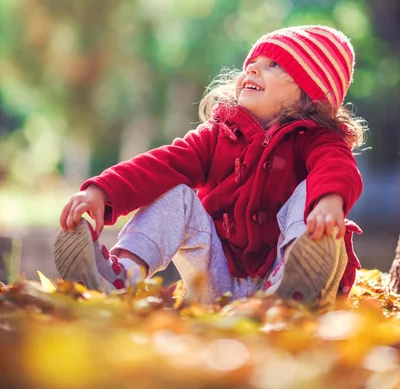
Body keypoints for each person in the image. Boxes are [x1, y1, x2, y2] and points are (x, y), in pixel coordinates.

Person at [54, 25, 367, 307]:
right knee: (174, 193)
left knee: (311, 192)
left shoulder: (319, 139)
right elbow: (164, 163)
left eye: (273, 65)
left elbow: (338, 168)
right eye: (252, 65)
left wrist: (329, 201)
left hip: (285, 277)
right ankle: (122, 277)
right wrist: (103, 191)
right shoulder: (219, 135)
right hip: (220, 281)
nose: (253, 72)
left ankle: (294, 284)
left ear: (310, 96)